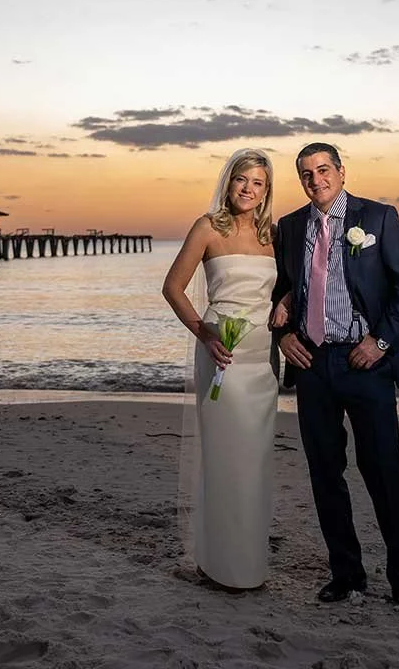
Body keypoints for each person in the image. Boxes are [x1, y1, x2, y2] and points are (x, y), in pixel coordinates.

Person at [271, 142, 399, 618]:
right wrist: (282, 336)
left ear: (341, 171)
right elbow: (280, 289)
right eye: (305, 173)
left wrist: (379, 342)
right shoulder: (291, 227)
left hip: (367, 365)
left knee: (384, 472)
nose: (314, 178)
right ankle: (346, 575)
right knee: (325, 474)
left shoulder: (378, 219)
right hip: (313, 365)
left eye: (323, 169)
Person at [161, 148, 282, 590]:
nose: (249, 190)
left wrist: (286, 304)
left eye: (259, 183)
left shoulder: (274, 234)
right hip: (222, 360)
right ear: (228, 182)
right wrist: (205, 335)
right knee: (225, 460)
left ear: (267, 190)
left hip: (262, 363)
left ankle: (249, 565)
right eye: (242, 181)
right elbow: (173, 288)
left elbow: (287, 291)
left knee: (255, 464)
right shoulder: (208, 227)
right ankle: (218, 565)